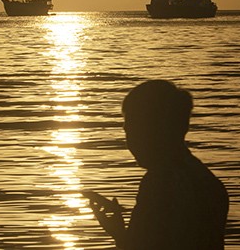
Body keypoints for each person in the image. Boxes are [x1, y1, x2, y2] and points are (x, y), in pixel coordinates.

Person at [86, 79, 228, 249]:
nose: (129, 142)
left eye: (131, 130)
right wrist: (119, 231)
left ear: (152, 130)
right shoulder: (207, 181)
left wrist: (120, 235)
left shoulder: (160, 183)